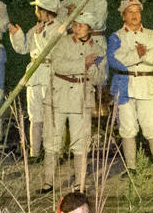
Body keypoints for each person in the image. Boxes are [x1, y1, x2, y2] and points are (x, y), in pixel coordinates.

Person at [42, 14, 108, 193]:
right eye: (76, 25)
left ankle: (79, 183)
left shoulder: (98, 49)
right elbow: (58, 65)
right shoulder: (63, 42)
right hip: (59, 94)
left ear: (90, 29)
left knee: (81, 140)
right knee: (53, 138)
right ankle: (48, 181)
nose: (78, 29)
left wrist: (92, 68)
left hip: (82, 97)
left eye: (82, 26)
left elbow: (100, 77)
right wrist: (83, 63)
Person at [106, 0, 153, 171]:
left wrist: (144, 55)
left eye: (137, 11)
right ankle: (131, 167)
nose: (134, 15)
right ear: (123, 16)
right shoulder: (116, 36)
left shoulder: (151, 35)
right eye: (130, 12)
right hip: (124, 86)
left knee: (151, 126)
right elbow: (114, 60)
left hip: (147, 85)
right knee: (127, 127)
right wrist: (137, 55)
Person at [9, 0, 65, 160]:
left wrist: (40, 35)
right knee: (35, 116)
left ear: (46, 11)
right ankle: (34, 153)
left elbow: (49, 51)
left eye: (37, 8)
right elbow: (24, 48)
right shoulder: (36, 28)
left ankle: (56, 152)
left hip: (50, 74)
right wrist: (16, 34)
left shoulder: (59, 28)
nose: (35, 11)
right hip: (34, 75)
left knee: (52, 116)